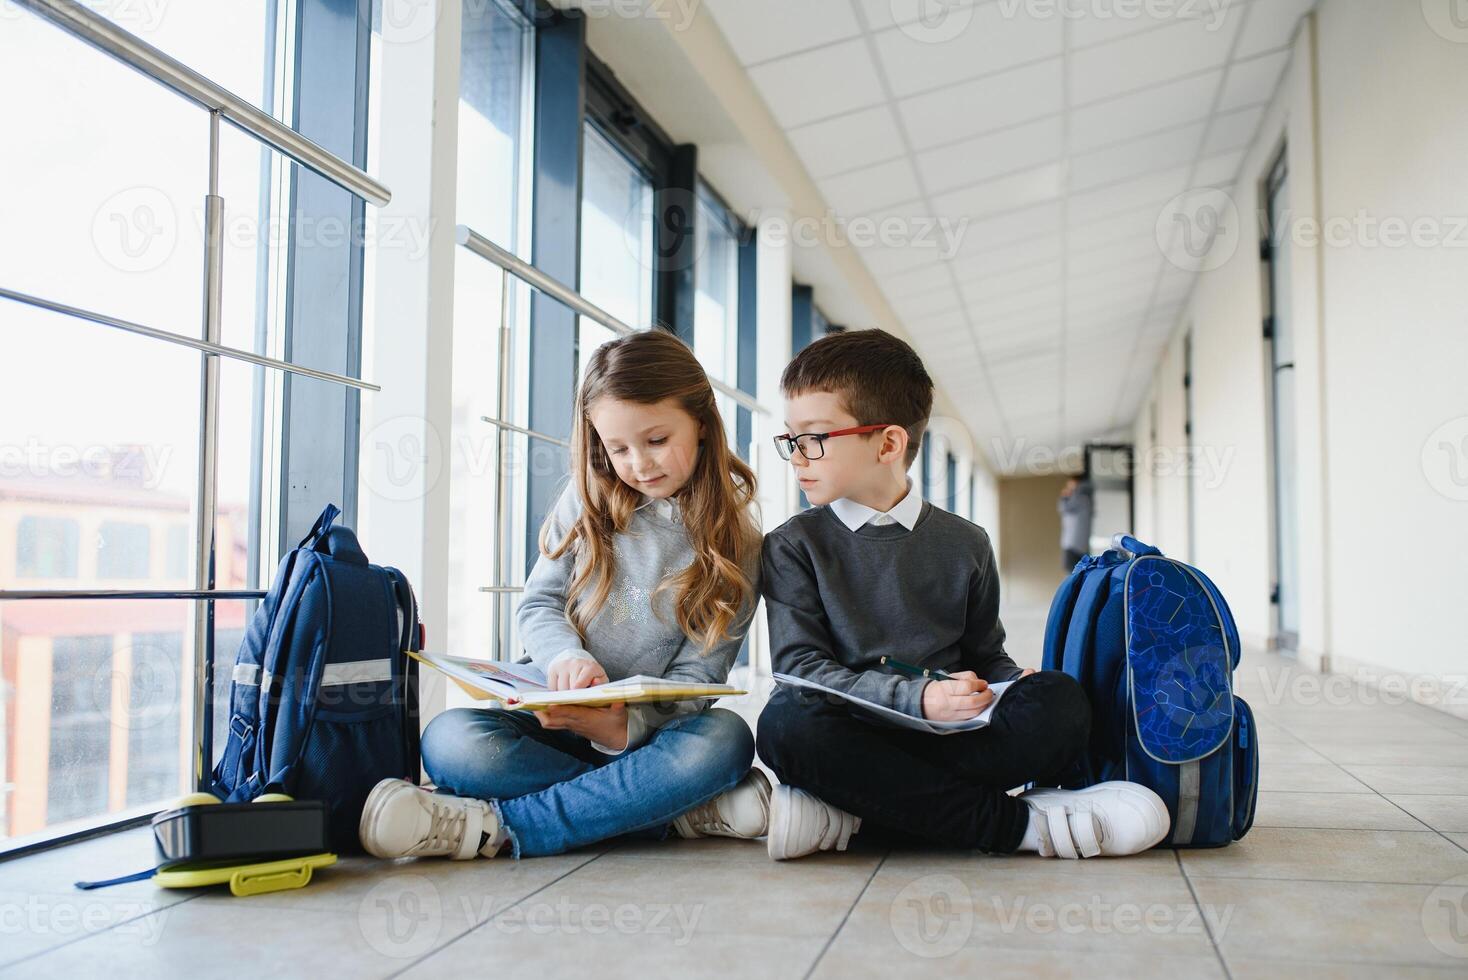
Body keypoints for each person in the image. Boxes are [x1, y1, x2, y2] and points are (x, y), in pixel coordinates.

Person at [755, 328, 1169, 861]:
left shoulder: (966, 543)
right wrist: (917, 697)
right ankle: (1019, 826)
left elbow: (984, 654)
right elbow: (801, 668)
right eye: (791, 438)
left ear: (888, 443)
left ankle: (853, 814)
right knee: (785, 725)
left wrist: (1009, 679)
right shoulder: (792, 546)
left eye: (814, 437)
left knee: (1060, 703)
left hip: (948, 735)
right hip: (849, 733)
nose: (797, 456)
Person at [358, 329, 769, 860]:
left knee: (726, 740)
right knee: (449, 740)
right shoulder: (587, 500)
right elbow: (539, 604)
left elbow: (699, 681)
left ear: (703, 424)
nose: (640, 464)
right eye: (617, 447)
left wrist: (618, 726)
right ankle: (669, 809)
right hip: (550, 716)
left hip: (645, 737)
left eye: (657, 440)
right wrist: (568, 657)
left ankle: (496, 827)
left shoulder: (742, 544)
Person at [1058, 476, 1094, 571]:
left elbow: (1063, 508)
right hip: (1077, 545)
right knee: (1076, 574)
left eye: (1071, 487)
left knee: (1073, 573)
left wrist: (1064, 497)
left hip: (1073, 545)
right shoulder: (1084, 498)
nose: (1068, 490)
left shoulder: (1081, 498)